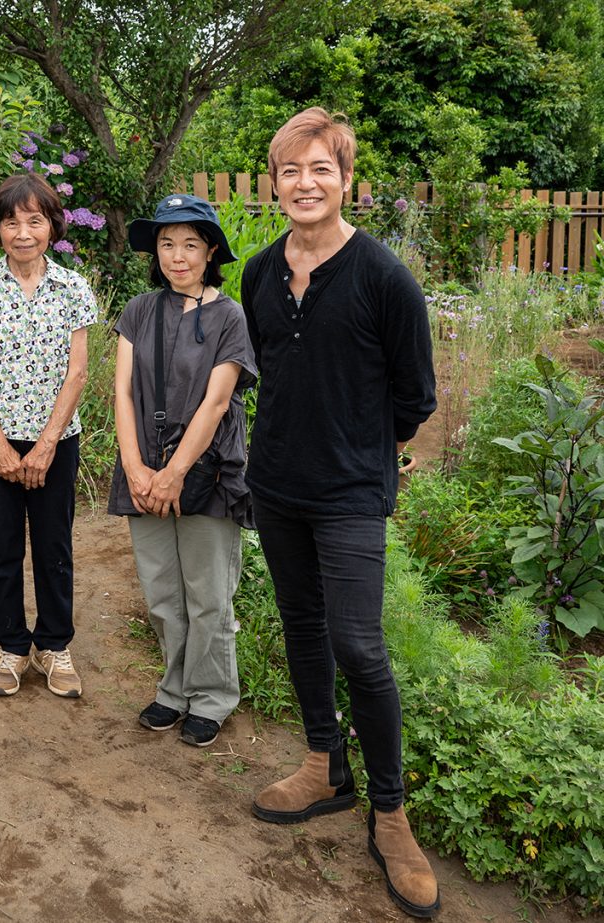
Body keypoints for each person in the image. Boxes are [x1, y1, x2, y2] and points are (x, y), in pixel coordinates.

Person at [241, 108, 439, 917]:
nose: (304, 183)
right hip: (277, 484)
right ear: (275, 183)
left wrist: (364, 453)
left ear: (345, 178)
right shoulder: (257, 271)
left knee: (360, 642)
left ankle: (389, 812)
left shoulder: (383, 277)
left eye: (320, 168)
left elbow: (415, 397)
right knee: (302, 625)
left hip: (352, 491)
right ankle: (325, 763)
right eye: (290, 171)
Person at [108, 194, 257, 748]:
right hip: (141, 469)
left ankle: (212, 696)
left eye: (190, 245)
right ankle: (173, 691)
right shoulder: (139, 310)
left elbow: (217, 403)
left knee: (209, 593)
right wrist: (136, 468)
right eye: (167, 244)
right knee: (162, 592)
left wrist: (171, 473)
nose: (177, 256)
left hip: (208, 473)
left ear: (210, 250)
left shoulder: (229, 316)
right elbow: (122, 391)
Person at [0, 173, 97, 698]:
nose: (22, 232)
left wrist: (44, 445)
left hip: (55, 443)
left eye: (34, 220)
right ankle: (11, 647)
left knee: (55, 547)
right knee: (3, 547)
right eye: (11, 221)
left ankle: (54, 645)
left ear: (52, 227)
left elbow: (77, 372)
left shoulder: (73, 288)